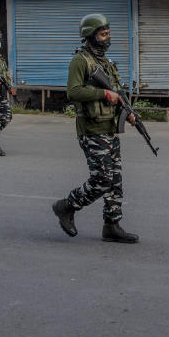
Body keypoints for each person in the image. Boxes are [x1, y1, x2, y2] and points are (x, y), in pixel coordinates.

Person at [52, 13, 139, 243]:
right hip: (92, 130)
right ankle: (67, 206)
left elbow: (118, 94)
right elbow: (73, 91)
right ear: (91, 36)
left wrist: (128, 112)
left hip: (109, 128)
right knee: (102, 179)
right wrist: (103, 93)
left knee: (115, 180)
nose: (107, 38)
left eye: (108, 33)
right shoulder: (81, 61)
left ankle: (112, 225)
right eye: (103, 34)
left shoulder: (106, 64)